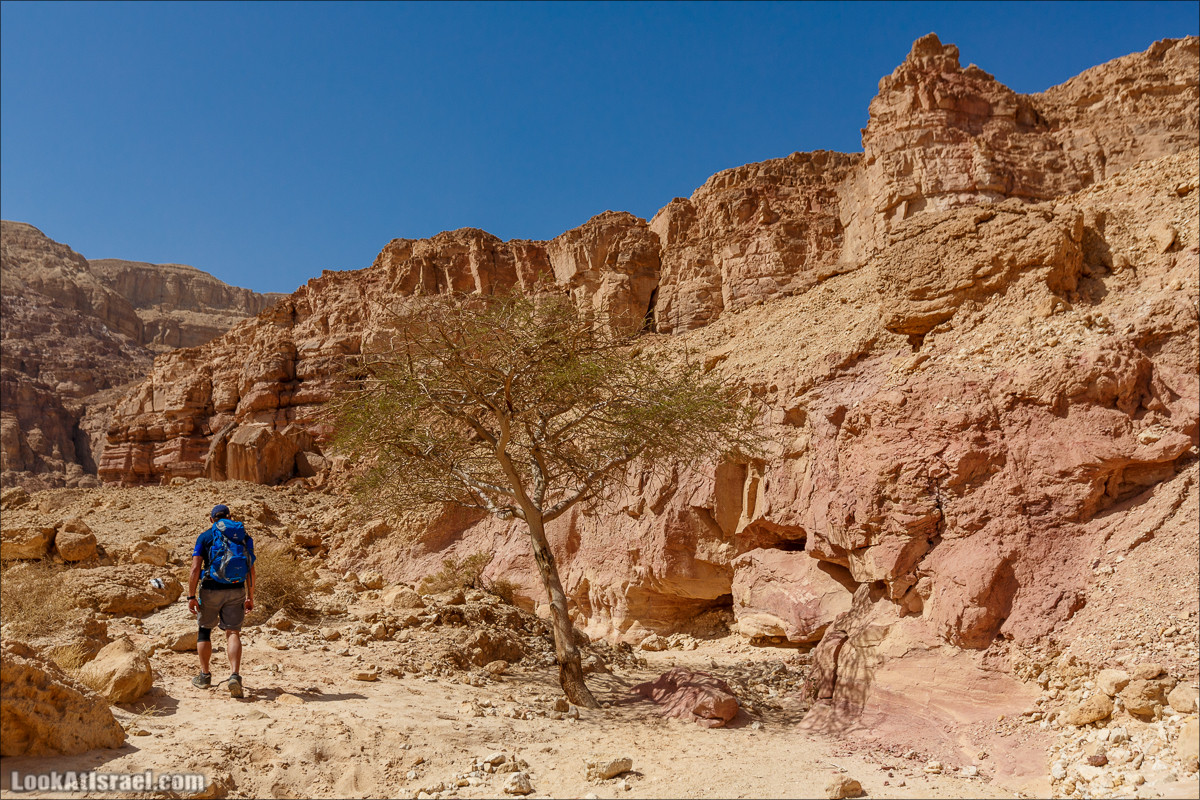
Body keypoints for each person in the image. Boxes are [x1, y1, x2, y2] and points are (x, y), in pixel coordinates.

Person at [187, 504, 256, 697]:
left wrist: (191, 596)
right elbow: (251, 568)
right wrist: (250, 596)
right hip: (236, 589)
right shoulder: (243, 536)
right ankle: (234, 675)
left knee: (204, 630)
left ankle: (205, 675)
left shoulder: (205, 537)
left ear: (211, 520)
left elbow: (194, 569)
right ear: (229, 517)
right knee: (233, 632)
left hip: (210, 589)